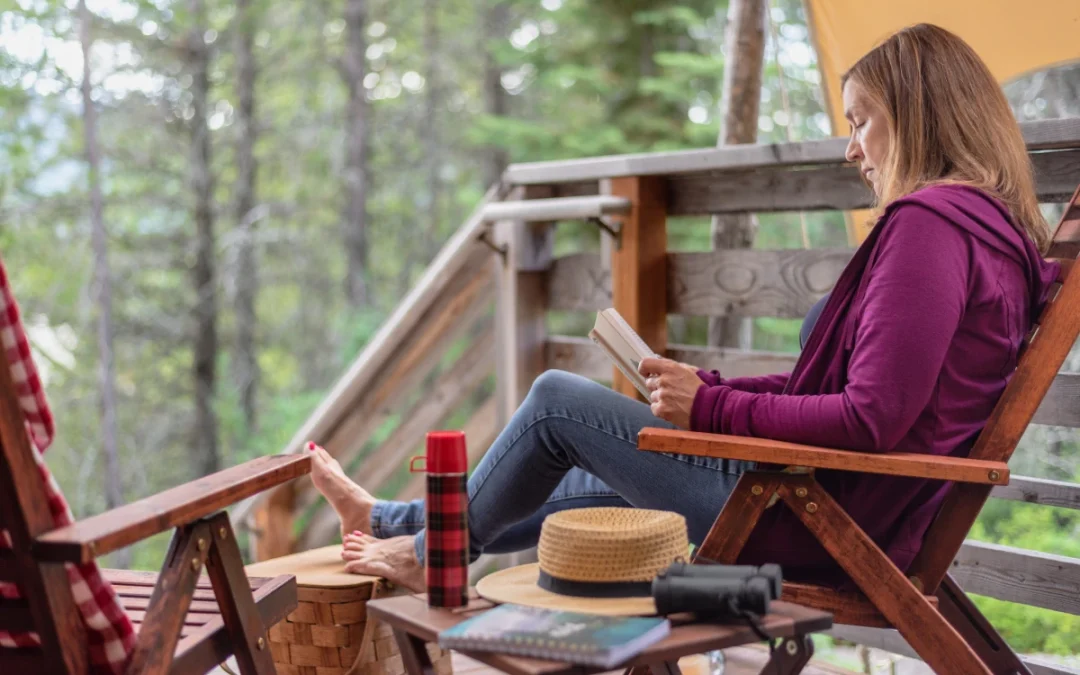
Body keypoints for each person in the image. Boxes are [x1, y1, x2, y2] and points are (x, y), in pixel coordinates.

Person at [307, 23, 1059, 591]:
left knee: (553, 404)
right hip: (838, 499)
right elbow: (851, 399)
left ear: (919, 113)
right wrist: (710, 392)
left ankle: (432, 553)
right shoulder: (985, 235)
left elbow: (870, 417)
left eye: (861, 119)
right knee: (578, 483)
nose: (851, 149)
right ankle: (392, 523)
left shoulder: (930, 227)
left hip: (816, 516)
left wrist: (714, 411)